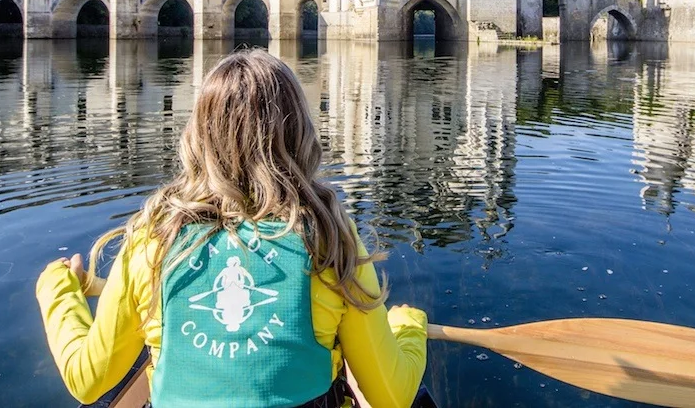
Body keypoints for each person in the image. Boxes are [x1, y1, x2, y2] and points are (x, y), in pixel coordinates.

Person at [36, 50, 428, 407]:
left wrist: (56, 287)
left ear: (198, 136)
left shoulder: (152, 240)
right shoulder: (329, 241)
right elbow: (390, 398)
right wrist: (408, 326)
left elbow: (86, 381)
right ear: (300, 133)